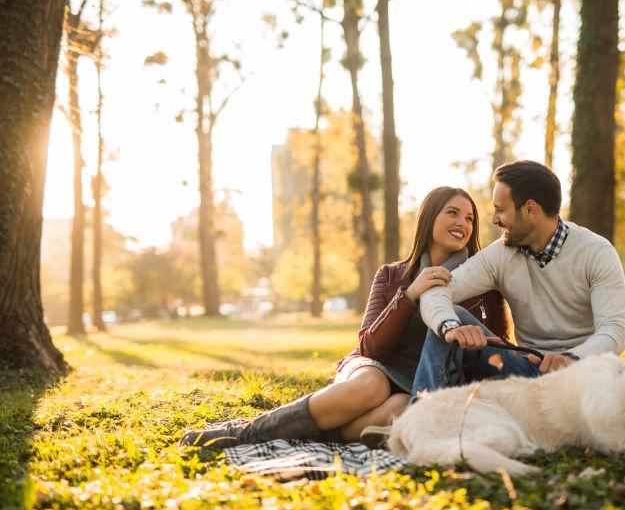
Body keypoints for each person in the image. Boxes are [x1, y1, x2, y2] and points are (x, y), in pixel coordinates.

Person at [180, 186, 509, 449]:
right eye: (452, 213)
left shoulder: (483, 286)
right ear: (429, 218)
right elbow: (371, 348)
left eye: (469, 218)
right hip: (374, 366)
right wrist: (409, 296)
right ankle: (244, 434)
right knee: (370, 388)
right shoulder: (391, 275)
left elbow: (497, 358)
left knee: (397, 407)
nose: (463, 224)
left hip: (423, 383)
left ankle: (308, 435)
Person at [411, 160, 625, 397]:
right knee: (453, 318)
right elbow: (436, 291)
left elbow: (614, 330)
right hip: (524, 372)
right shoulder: (500, 254)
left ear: (529, 210)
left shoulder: (596, 252)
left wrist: (571, 358)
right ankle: (421, 416)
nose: (494, 219)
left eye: (501, 210)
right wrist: (450, 326)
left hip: (584, 373)